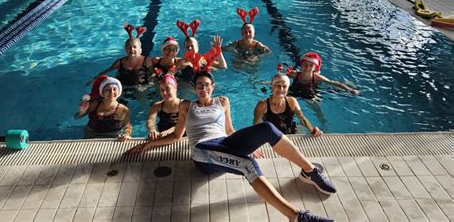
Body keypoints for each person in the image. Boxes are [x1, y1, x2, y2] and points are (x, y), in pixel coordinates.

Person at [127, 71, 335, 222]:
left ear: (213, 86)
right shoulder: (186, 106)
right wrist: (150, 144)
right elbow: (176, 135)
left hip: (224, 144)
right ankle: (296, 217)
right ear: (194, 88)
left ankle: (310, 171)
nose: (203, 88)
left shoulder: (223, 101)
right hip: (203, 151)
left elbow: (229, 130)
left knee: (268, 128)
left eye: (206, 84)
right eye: (199, 85)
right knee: (248, 164)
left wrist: (250, 143)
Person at [91, 23, 153, 99]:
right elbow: (106, 71)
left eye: (134, 47)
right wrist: (94, 80)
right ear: (125, 49)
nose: (132, 49)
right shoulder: (120, 62)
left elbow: (153, 75)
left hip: (141, 87)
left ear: (140, 49)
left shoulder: (146, 61)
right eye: (128, 47)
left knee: (144, 100)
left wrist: (146, 86)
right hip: (123, 87)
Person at [254, 72, 323, 136]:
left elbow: (302, 119)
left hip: (291, 133)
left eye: (284, 86)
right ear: (272, 86)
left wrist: (312, 130)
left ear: (288, 88)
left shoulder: (292, 101)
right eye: (278, 85)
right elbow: (256, 125)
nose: (281, 89)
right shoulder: (263, 105)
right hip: (272, 136)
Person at [76, 76, 132, 141]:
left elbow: (128, 126)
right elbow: (77, 117)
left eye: (114, 89)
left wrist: (127, 134)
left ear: (119, 92)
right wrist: (82, 111)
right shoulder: (95, 104)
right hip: (91, 135)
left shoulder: (123, 109)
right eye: (107, 89)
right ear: (102, 92)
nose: (111, 92)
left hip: (112, 136)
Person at [288, 52, 359, 99]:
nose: (307, 67)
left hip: (311, 92)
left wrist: (349, 89)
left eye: (311, 65)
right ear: (301, 64)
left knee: (316, 106)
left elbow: (334, 83)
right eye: (305, 64)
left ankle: (322, 119)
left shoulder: (317, 78)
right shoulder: (294, 74)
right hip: (295, 90)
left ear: (315, 67)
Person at [147, 74, 181, 140]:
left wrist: (170, 130)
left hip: (183, 137)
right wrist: (152, 130)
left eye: (168, 89)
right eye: (162, 90)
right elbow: (150, 121)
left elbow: (186, 123)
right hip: (163, 137)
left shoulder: (184, 105)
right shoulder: (157, 106)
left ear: (175, 88)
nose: (164, 93)